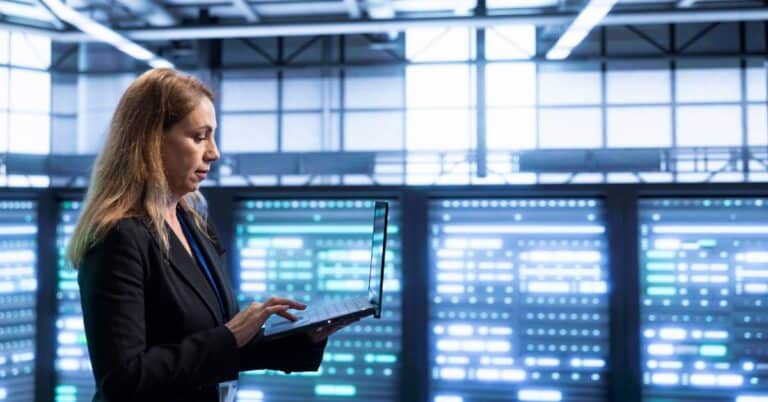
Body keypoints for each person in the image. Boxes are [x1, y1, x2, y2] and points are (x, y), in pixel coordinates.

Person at [66, 68, 349, 402]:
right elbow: (123, 379)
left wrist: (304, 338)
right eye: (199, 137)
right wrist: (230, 337)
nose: (214, 152)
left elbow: (219, 349)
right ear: (151, 141)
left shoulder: (192, 222)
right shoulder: (118, 237)